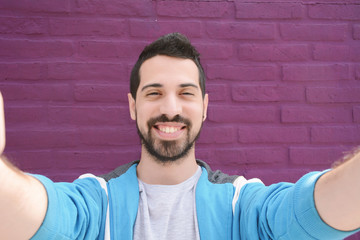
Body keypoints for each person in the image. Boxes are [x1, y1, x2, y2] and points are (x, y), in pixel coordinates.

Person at [0, 33, 359, 240]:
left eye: (185, 93)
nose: (170, 108)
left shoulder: (241, 205)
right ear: (132, 106)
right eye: (154, 93)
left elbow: (305, 216)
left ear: (204, 107)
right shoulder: (97, 202)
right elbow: (44, 221)